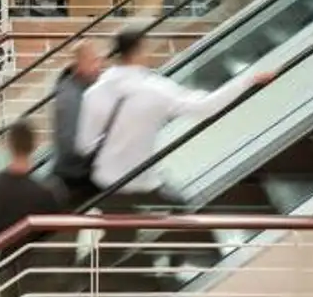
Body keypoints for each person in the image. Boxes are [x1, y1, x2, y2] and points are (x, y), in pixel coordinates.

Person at [77, 27, 274, 274]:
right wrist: (247, 80)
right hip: (139, 180)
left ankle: (75, 279)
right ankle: (185, 267)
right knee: (181, 211)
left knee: (120, 237)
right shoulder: (154, 89)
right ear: (138, 51)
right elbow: (204, 107)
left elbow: (84, 144)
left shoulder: (95, 91)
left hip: (106, 181)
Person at [0, 121, 64, 297]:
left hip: (7, 269)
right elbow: (53, 233)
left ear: (9, 146)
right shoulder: (44, 193)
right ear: (34, 146)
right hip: (38, 270)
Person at [50, 42, 103, 208]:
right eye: (93, 61)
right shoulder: (70, 98)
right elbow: (71, 146)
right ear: (80, 65)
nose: (99, 66)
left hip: (80, 177)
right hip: (77, 181)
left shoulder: (83, 90)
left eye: (98, 60)